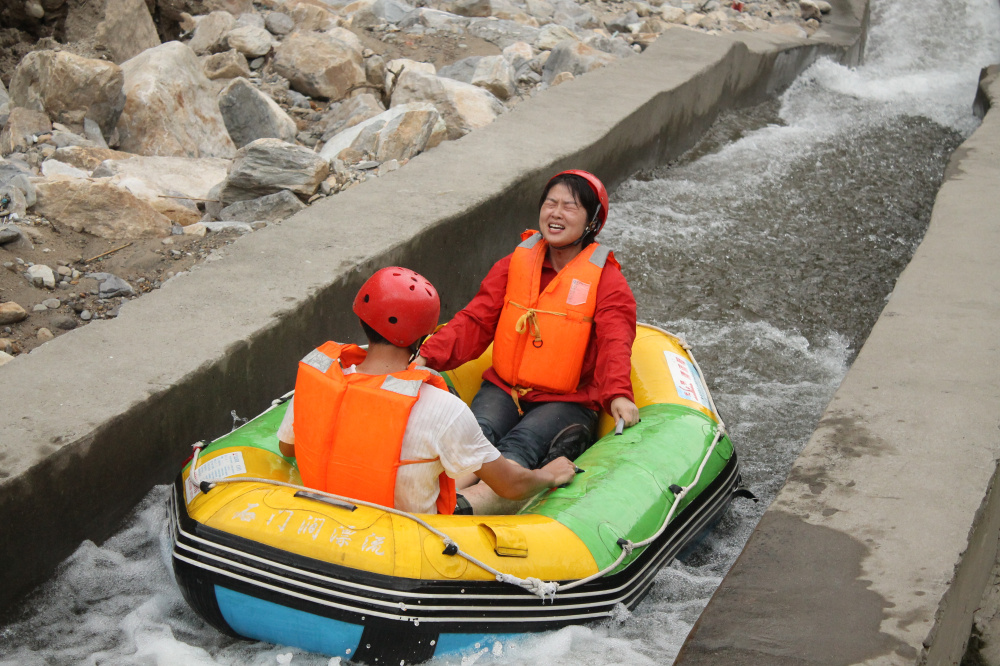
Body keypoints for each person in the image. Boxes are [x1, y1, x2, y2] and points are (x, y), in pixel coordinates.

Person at [276, 266, 577, 515]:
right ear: (423, 337)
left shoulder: (317, 375)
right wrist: (549, 475)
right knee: (497, 482)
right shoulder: (441, 408)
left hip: (327, 514)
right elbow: (511, 487)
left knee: (459, 456)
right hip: (408, 537)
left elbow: (289, 448)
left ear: (362, 318)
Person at [415, 170, 639, 477]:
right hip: (504, 389)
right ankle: (436, 507)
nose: (556, 213)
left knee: (516, 451)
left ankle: (464, 511)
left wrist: (619, 394)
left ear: (591, 221)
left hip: (567, 401)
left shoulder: (607, 281)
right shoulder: (515, 264)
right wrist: (427, 356)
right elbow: (476, 320)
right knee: (472, 441)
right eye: (550, 203)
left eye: (570, 206)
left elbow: (616, 341)